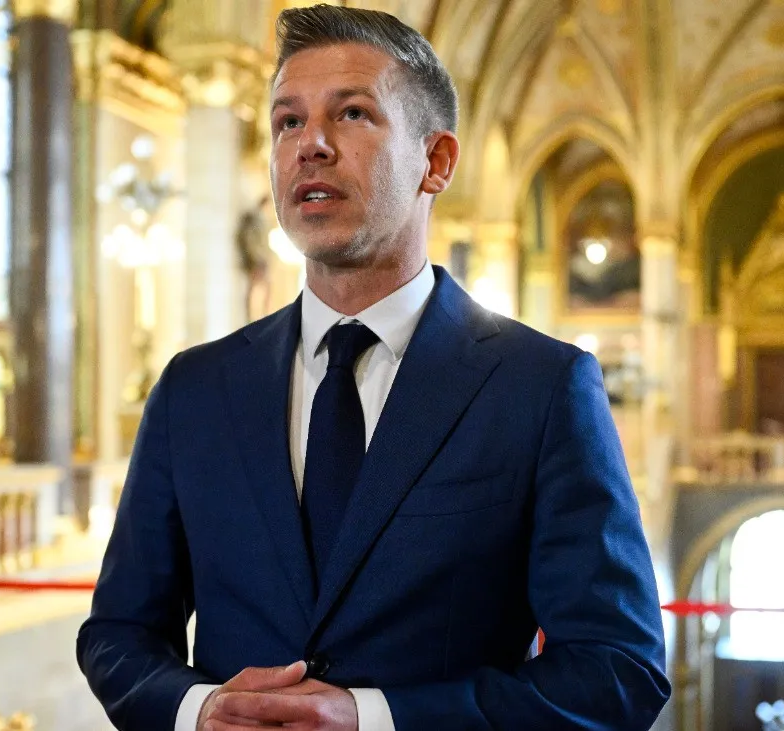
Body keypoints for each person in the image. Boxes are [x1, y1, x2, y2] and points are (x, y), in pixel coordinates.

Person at [77, 5, 670, 730]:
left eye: (352, 114)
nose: (310, 145)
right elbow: (119, 633)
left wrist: (374, 717)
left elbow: (618, 670)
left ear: (436, 162)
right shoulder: (194, 390)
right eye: (287, 122)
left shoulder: (542, 388)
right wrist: (199, 709)